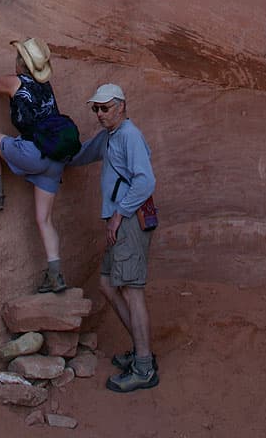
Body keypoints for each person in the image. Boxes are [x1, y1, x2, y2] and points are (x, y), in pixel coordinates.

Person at [0, 37, 68, 294]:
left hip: (31, 152)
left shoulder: (15, 81)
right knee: (45, 220)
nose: (15, 60)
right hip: (54, 161)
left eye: (18, 57)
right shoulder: (46, 85)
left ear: (22, 62)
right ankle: (56, 276)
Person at [70, 83, 159, 393]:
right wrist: (48, 153)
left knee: (133, 292)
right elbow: (80, 155)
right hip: (119, 223)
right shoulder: (109, 137)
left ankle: (145, 367)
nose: (98, 114)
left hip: (129, 222)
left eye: (104, 108)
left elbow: (145, 181)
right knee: (108, 285)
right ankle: (140, 348)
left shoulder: (129, 135)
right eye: (95, 108)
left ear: (121, 106)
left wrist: (120, 214)